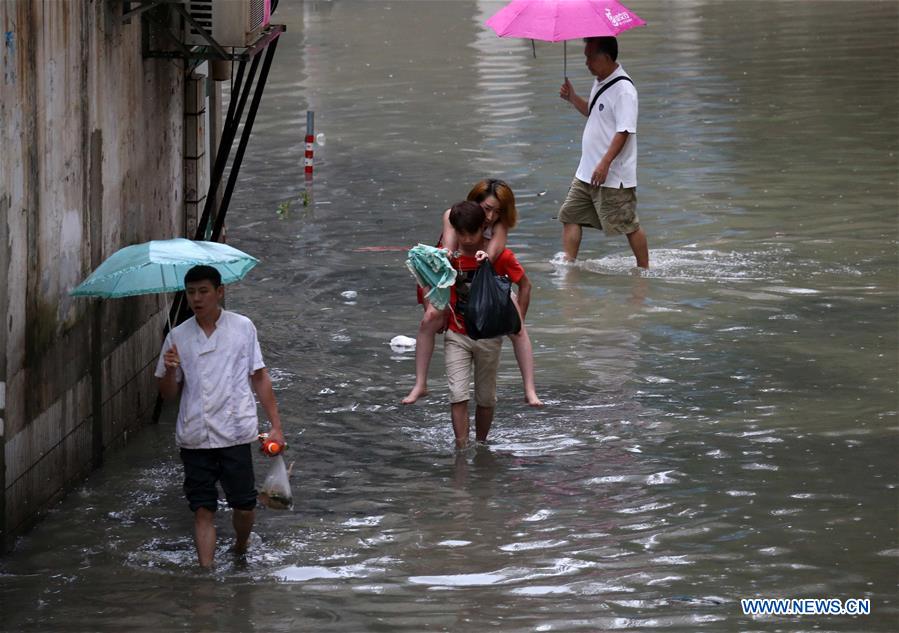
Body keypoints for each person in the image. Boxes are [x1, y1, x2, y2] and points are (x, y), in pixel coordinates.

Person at [156, 265, 285, 567]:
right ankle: (206, 575)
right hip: (195, 435)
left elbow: (259, 376)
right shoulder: (177, 336)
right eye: (191, 292)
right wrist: (171, 370)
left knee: (244, 506)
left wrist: (276, 426)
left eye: (203, 291)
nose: (196, 299)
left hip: (235, 432)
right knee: (203, 509)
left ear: (219, 292)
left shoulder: (242, 327)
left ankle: (240, 545)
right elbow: (168, 395)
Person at [403, 179, 543, 407]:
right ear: (475, 201)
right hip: (448, 275)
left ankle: (530, 390)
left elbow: (494, 254)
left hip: (485, 277)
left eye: (497, 211)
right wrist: (448, 256)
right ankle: (420, 384)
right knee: (429, 319)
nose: (490, 217)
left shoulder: (499, 225)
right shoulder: (454, 215)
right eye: (487, 209)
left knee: (518, 330)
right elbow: (448, 249)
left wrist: (484, 257)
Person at [442, 200, 532, 449]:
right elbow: (427, 281)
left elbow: (524, 283)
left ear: (484, 228)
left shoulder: (499, 256)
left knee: (486, 397)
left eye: (472, 233)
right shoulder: (449, 257)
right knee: (457, 395)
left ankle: (481, 444)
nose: (467, 239)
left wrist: (515, 320)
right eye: (461, 234)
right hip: (456, 333)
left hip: (489, 337)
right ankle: (461, 447)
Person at [558, 36, 649, 269]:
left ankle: (644, 270)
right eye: (586, 57)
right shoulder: (600, 81)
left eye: (590, 57)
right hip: (586, 172)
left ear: (606, 57)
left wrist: (605, 163)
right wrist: (572, 98)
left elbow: (625, 130)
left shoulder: (624, 90)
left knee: (628, 224)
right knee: (570, 215)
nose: (586, 63)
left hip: (612, 175)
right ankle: (568, 268)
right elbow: (593, 111)